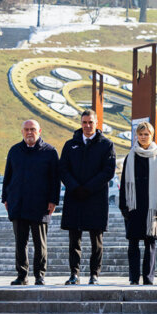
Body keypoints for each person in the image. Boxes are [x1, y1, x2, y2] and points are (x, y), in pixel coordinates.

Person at [58, 109, 116, 285]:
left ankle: (94, 275)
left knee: (96, 240)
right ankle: (74, 274)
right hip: (74, 197)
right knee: (74, 239)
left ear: (96, 123)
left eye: (90, 122)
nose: (87, 126)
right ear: (81, 123)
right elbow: (63, 169)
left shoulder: (106, 145)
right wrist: (75, 187)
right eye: (84, 122)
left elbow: (108, 171)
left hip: (95, 198)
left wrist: (88, 188)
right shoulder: (70, 145)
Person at [3, 119, 60, 285]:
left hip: (40, 205)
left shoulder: (49, 152)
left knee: (39, 243)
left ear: (39, 131)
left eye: (33, 129)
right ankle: (22, 275)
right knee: (20, 243)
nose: (29, 132)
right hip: (18, 204)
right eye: (26, 129)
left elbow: (55, 180)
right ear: (22, 132)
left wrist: (53, 200)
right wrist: (5, 198)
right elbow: (8, 177)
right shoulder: (14, 151)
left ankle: (39, 275)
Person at [119, 122, 157, 285]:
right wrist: (123, 205)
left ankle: (148, 278)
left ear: (151, 135)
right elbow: (124, 182)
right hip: (134, 205)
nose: (143, 137)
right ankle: (134, 278)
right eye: (140, 134)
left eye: (146, 134)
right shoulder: (130, 156)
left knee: (150, 242)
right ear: (136, 136)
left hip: (152, 205)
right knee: (133, 242)